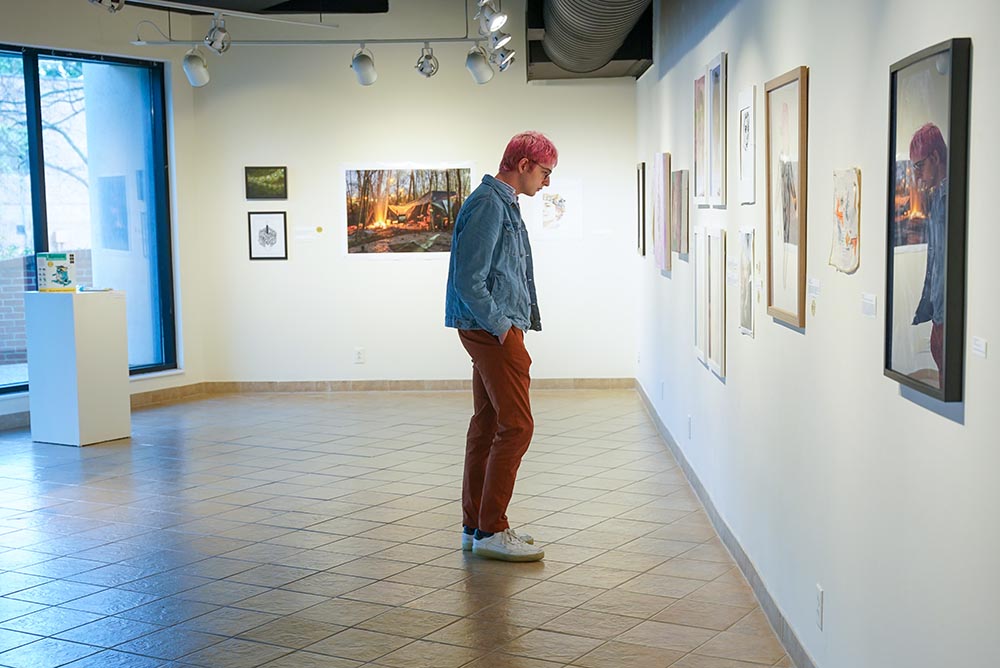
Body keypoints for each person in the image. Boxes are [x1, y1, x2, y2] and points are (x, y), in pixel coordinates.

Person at [444, 131, 557, 562]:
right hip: (489, 329)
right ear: (524, 164)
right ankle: (492, 528)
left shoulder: (501, 202)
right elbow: (468, 279)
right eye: (545, 173)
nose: (547, 183)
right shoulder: (490, 204)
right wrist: (503, 328)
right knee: (518, 426)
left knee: (489, 423)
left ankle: (476, 527)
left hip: (489, 327)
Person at [908, 122, 948, 388]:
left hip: (946, 313)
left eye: (919, 166)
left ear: (935, 157)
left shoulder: (951, 198)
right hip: (939, 312)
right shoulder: (938, 198)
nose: (918, 175)